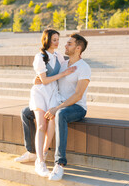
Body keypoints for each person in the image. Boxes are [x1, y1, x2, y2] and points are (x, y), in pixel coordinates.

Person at [15, 33, 91, 181]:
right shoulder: (63, 62)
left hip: (76, 106)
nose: (65, 45)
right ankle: (32, 152)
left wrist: (56, 108)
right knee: (26, 112)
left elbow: (77, 95)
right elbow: (49, 75)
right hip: (56, 100)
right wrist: (37, 79)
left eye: (69, 43)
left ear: (78, 48)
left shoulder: (84, 67)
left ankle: (59, 163)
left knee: (60, 114)